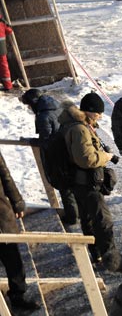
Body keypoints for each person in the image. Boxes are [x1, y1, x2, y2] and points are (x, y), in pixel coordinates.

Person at [58, 92, 121, 271]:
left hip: (80, 182)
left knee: (89, 219)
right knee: (103, 221)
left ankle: (97, 254)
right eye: (98, 113)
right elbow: (86, 159)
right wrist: (106, 156)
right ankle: (111, 258)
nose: (100, 116)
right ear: (90, 111)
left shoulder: (76, 125)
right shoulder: (79, 129)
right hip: (86, 183)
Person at [20, 89, 79, 226]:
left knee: (65, 188)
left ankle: (72, 217)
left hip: (57, 155)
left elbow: (46, 141)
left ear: (34, 103)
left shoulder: (43, 116)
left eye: (29, 105)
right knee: (73, 185)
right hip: (68, 150)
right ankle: (79, 212)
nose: (29, 108)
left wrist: (30, 141)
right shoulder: (56, 106)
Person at [0, 152, 39, 316]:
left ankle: (17, 295)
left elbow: (5, 175)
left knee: (13, 259)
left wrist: (17, 202)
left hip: (1, 215)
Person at [0, 14, 13, 91]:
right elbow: (9, 31)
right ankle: (8, 85)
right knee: (4, 66)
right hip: (1, 49)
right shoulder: (2, 22)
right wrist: (7, 24)